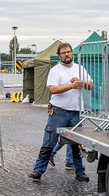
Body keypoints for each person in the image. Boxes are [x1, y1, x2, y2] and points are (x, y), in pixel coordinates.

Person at [28, 43, 92, 182]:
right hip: (58, 111)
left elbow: (91, 85)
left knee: (76, 145)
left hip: (76, 112)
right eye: (63, 53)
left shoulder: (79, 68)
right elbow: (53, 89)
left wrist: (81, 82)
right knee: (49, 141)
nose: (67, 54)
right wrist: (71, 85)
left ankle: (80, 172)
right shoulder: (55, 70)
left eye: (68, 52)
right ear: (59, 55)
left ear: (72, 53)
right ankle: (38, 171)